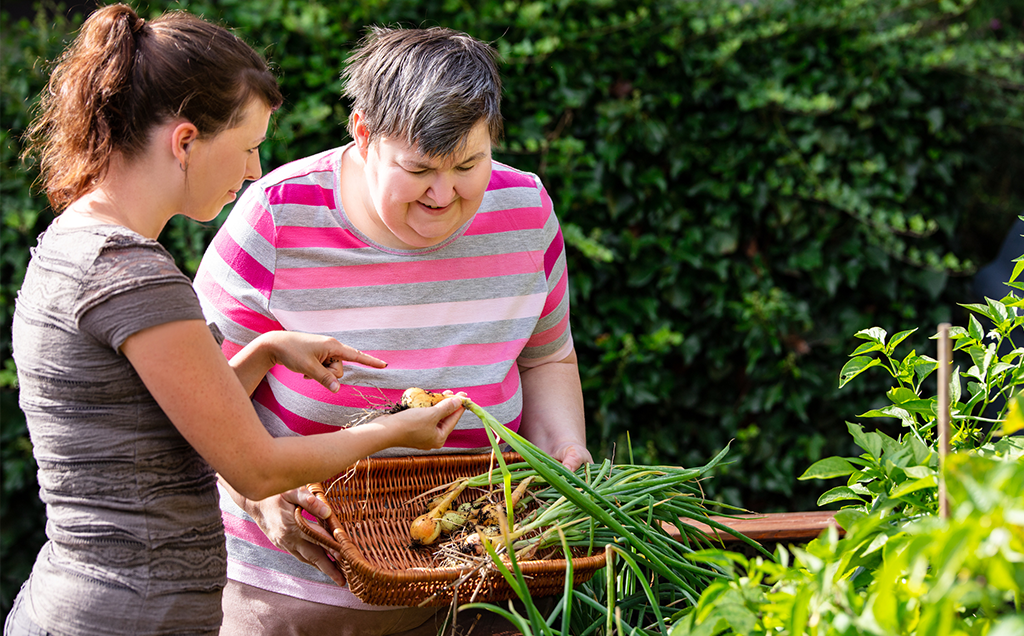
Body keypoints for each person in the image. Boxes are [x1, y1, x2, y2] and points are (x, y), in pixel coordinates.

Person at [6, 7, 465, 636]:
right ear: (186, 140)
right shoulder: (132, 274)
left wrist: (268, 349)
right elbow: (256, 467)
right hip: (125, 615)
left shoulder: (74, 241)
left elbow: (161, 418)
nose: (254, 172)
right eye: (248, 148)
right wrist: (394, 434)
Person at [192, 25, 593, 636]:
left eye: (468, 164)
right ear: (363, 134)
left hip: (484, 582)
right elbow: (196, 400)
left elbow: (547, 359)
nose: (444, 194)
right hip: (300, 592)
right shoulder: (278, 217)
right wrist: (257, 493)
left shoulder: (525, 209)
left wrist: (564, 451)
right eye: (419, 169)